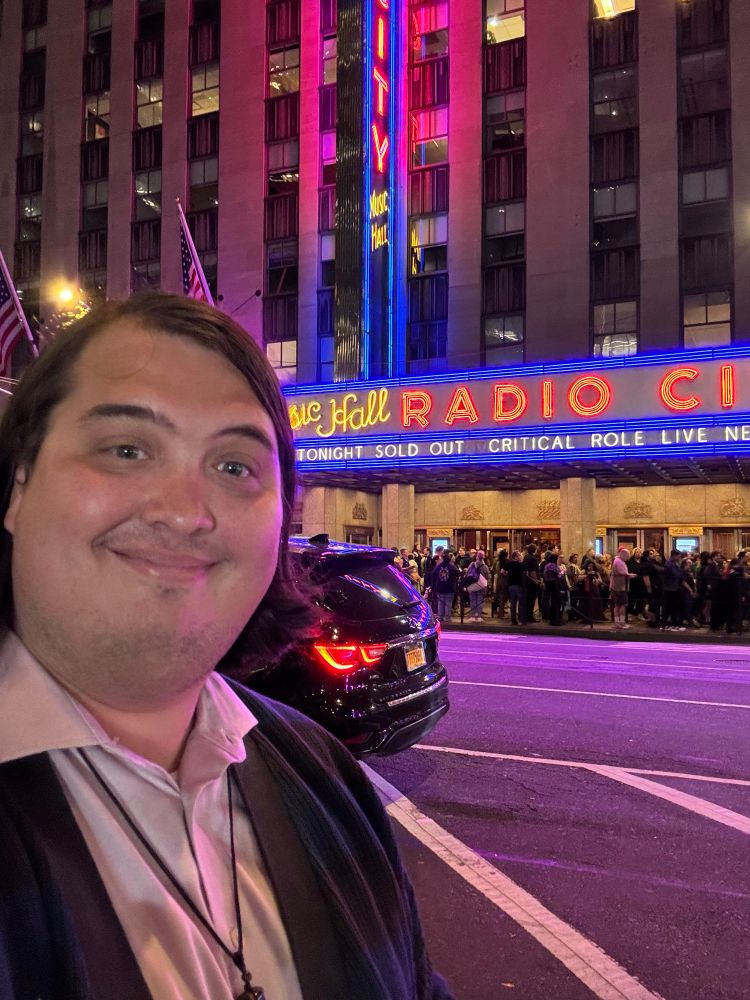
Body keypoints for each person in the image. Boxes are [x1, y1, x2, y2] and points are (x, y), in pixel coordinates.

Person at [0, 293, 452, 1000]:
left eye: (236, 466)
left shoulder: (324, 774)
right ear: (18, 486)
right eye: (126, 449)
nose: (185, 512)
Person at [610, 546, 636, 631]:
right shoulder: (619, 562)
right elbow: (622, 573)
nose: (628, 558)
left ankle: (617, 622)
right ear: (623, 555)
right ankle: (621, 623)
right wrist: (631, 575)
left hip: (616, 587)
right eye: (627, 556)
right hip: (620, 587)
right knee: (622, 605)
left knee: (617, 605)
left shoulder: (616, 560)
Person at [432, 551, 460, 623]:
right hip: (449, 587)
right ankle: (447, 617)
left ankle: (440, 617)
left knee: (440, 603)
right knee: (448, 603)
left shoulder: (438, 566)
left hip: (440, 587)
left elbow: (434, 574)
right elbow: (458, 573)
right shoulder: (452, 566)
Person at [464, 550, 490, 623]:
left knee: (472, 601)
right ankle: (479, 616)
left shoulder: (472, 564)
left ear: (477, 556)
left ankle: (472, 616)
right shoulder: (485, 567)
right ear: (483, 557)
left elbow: (467, 574)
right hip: (481, 586)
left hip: (472, 585)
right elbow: (488, 577)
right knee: (479, 602)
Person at [505, 550, 525, 625]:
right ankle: (521, 618)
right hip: (519, 585)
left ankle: (513, 620)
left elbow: (502, 571)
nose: (520, 556)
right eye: (519, 555)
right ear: (516, 557)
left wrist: (508, 573)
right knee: (521, 603)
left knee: (513, 603)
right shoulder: (521, 564)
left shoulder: (508, 563)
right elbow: (525, 573)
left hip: (511, 585)